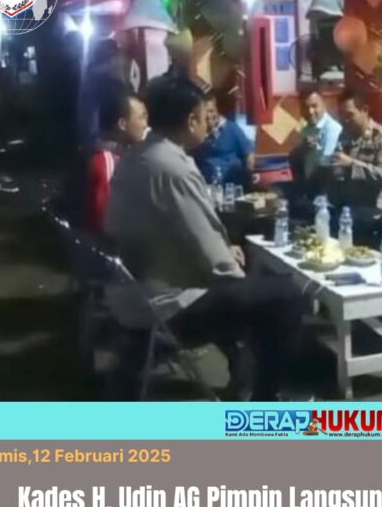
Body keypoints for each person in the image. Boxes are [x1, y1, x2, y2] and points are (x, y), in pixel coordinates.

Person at [105, 77, 302, 401]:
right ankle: (266, 399)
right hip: (167, 308)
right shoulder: (172, 168)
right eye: (203, 115)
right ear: (190, 120)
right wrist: (238, 277)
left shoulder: (135, 157)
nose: (208, 122)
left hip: (132, 294)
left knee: (260, 285)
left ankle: (245, 371)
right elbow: (216, 260)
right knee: (285, 294)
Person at [85, 86, 148, 232]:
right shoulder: (105, 162)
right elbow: (104, 218)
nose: (145, 125)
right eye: (141, 117)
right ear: (122, 124)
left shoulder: (128, 154)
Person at [331, 89, 382, 213]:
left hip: (377, 209)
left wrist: (352, 165)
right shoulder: (345, 135)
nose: (345, 120)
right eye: (341, 115)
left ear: (365, 110)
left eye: (350, 115)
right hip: (349, 206)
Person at [192, 93, 255, 186]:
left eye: (211, 111)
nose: (209, 115)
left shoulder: (231, 128)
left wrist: (249, 175)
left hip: (232, 185)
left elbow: (249, 155)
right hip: (206, 186)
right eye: (205, 112)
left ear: (217, 110)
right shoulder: (196, 134)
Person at [289, 88, 342, 195]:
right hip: (308, 186)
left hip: (326, 190)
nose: (310, 112)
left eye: (314, 106)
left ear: (324, 105)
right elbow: (294, 158)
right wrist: (303, 149)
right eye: (305, 107)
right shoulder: (306, 129)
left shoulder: (332, 128)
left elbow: (325, 165)